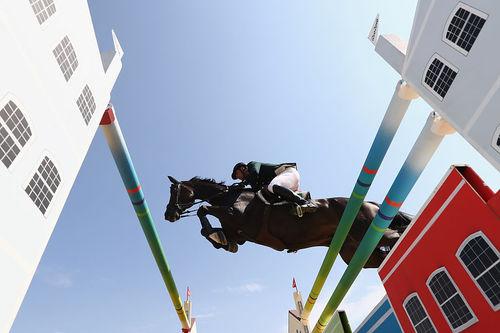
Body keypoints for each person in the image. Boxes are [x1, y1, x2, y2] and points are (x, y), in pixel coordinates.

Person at [231, 161, 307, 205]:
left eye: (237, 174)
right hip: (288, 186)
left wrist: (243, 185)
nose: (238, 178)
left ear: (242, 168)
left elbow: (254, 173)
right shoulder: (252, 180)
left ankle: (304, 203)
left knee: (272, 186)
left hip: (288, 173)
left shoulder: (251, 165)